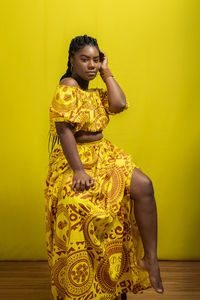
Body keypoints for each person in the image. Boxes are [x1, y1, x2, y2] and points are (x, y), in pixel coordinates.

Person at [44, 34, 164, 300]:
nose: (91, 65)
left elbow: (119, 104)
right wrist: (78, 170)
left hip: (103, 153)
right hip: (75, 157)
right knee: (80, 205)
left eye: (96, 60)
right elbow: (64, 131)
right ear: (72, 60)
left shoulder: (94, 89)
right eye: (85, 59)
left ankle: (150, 260)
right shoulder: (68, 86)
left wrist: (107, 71)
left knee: (144, 186)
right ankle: (89, 282)